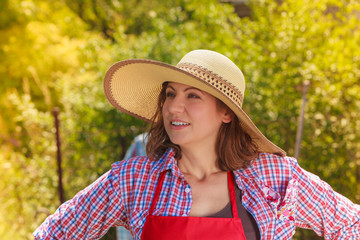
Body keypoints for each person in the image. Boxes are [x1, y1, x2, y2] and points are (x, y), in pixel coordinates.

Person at [34, 50, 360, 239]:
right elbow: (54, 233)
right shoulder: (133, 180)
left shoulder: (275, 177)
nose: (174, 107)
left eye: (193, 96)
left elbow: (350, 224)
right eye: (171, 94)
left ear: (226, 114)